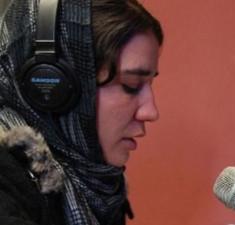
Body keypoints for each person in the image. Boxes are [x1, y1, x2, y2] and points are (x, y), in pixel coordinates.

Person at [0, 0, 163, 225]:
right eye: (131, 85)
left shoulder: (96, 188)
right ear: (52, 86)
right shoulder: (6, 185)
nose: (151, 111)